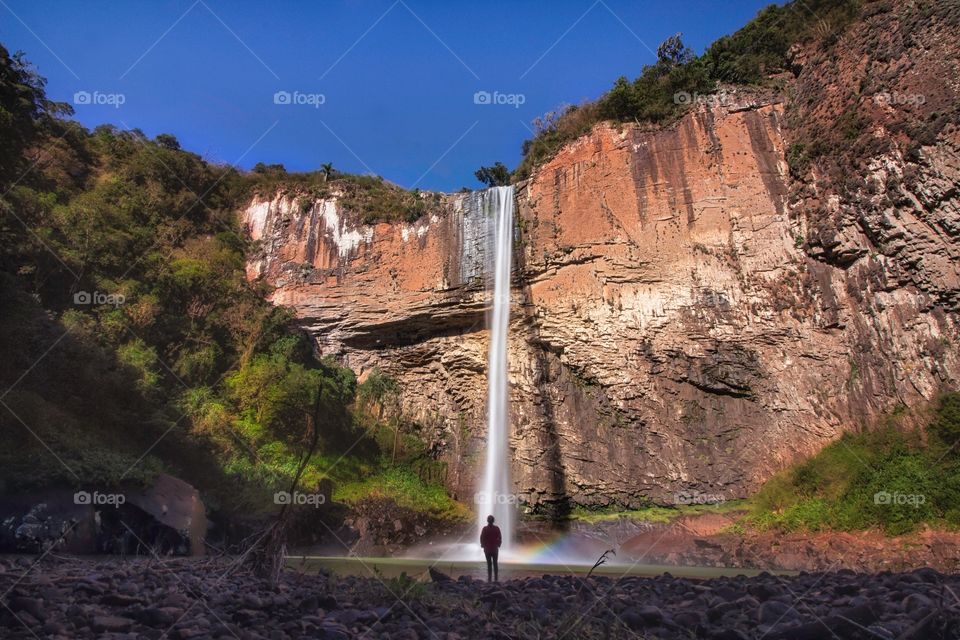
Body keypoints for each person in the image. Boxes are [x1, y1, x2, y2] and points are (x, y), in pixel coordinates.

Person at [480, 515, 502, 582]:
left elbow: (482, 538)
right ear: (493, 521)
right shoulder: (496, 528)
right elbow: (500, 537)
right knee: (495, 563)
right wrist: (498, 544)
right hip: (494, 548)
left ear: (487, 520)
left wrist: (483, 545)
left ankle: (490, 578)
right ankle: (495, 578)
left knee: (489, 564)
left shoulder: (485, 528)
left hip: (488, 549)